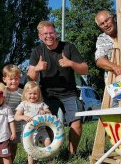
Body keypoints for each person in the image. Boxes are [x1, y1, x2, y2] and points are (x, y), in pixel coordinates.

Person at [27, 21, 88, 155]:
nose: (49, 36)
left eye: (51, 33)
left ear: (56, 33)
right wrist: (37, 68)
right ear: (40, 36)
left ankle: (71, 154)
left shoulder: (68, 47)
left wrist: (70, 63)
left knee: (76, 122)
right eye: (45, 34)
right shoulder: (37, 51)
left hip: (69, 93)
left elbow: (84, 69)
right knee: (49, 124)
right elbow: (30, 77)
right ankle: (53, 153)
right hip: (48, 95)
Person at [15, 81, 51, 164]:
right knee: (30, 149)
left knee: (48, 143)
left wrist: (45, 112)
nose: (32, 96)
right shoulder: (23, 104)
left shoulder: (42, 104)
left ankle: (49, 163)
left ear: (39, 94)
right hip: (29, 132)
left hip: (41, 129)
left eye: (35, 94)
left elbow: (50, 114)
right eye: (30, 94)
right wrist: (23, 116)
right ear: (25, 94)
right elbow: (16, 116)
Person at [94, 10, 121, 81]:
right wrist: (115, 67)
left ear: (113, 18)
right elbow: (99, 60)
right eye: (102, 24)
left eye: (107, 20)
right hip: (115, 83)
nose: (105, 25)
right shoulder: (101, 39)